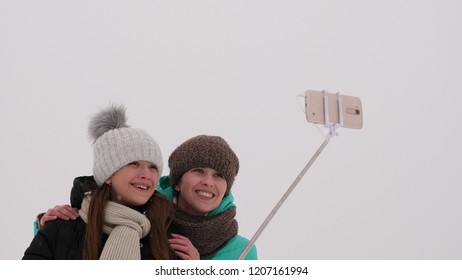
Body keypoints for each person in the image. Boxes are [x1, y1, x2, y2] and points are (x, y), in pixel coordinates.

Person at [37, 135, 258, 260]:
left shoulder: (241, 250)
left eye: (219, 176)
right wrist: (47, 224)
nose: (208, 182)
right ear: (177, 181)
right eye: (198, 171)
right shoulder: (142, 217)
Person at [22, 104, 187, 260]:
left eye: (153, 167)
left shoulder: (165, 236)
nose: (146, 174)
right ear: (108, 174)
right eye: (134, 163)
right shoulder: (62, 227)